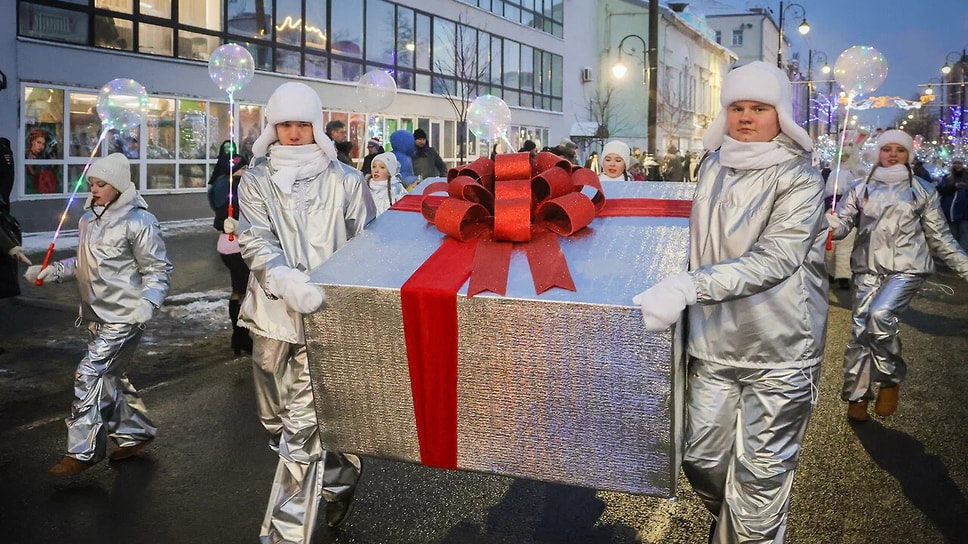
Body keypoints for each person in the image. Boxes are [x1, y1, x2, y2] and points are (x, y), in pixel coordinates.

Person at [633, 61, 827, 543]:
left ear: (779, 114)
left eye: (758, 108)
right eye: (737, 107)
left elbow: (776, 258)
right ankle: (747, 527)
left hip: (781, 348)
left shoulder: (799, 178)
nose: (745, 117)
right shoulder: (714, 165)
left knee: (760, 479)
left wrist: (686, 288)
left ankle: (750, 531)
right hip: (713, 343)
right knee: (701, 459)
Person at [236, 81, 371, 541]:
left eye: (302, 125)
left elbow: (367, 248)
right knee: (274, 419)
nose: (294, 134)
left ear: (317, 126)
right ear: (273, 128)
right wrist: (284, 280)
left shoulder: (347, 181)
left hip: (329, 320)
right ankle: (337, 481)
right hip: (273, 315)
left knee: (299, 433)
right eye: (285, 125)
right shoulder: (254, 180)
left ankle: (284, 534)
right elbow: (253, 237)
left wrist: (345, 300)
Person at [24, 152, 172, 476]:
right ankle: (136, 433)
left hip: (126, 315)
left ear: (118, 187)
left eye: (101, 184)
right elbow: (83, 264)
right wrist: (53, 271)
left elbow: (158, 269)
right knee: (110, 377)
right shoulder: (88, 219)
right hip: (95, 314)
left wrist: (147, 304)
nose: (94, 189)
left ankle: (83, 450)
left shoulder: (139, 221)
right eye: (92, 183)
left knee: (89, 373)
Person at [828, 130, 968, 422]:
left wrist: (964, 267)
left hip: (907, 268)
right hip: (867, 268)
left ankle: (890, 378)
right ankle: (857, 395)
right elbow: (841, 228)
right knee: (860, 332)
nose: (892, 154)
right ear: (877, 153)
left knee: (880, 316)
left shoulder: (922, 190)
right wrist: (829, 223)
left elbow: (940, 238)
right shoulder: (859, 187)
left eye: (900, 150)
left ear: (908, 156)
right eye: (886, 149)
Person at [207, 140, 253, 356]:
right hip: (235, 244)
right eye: (243, 168)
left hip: (225, 244)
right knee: (243, 292)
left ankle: (239, 337)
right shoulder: (232, 188)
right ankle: (241, 336)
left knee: (239, 290)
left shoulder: (218, 183)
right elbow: (234, 215)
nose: (246, 171)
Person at [937, 156, 968, 251]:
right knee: (952, 236)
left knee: (964, 235)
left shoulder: (966, 178)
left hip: (965, 212)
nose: (957, 165)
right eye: (955, 163)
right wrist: (954, 187)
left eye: (959, 163)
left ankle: (963, 257)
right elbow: (940, 190)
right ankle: (955, 255)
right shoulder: (947, 177)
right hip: (950, 212)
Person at [367, 151, 407, 217]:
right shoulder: (365, 188)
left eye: (382, 167)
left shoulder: (397, 190)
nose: (376, 170)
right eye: (374, 166)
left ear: (390, 171)